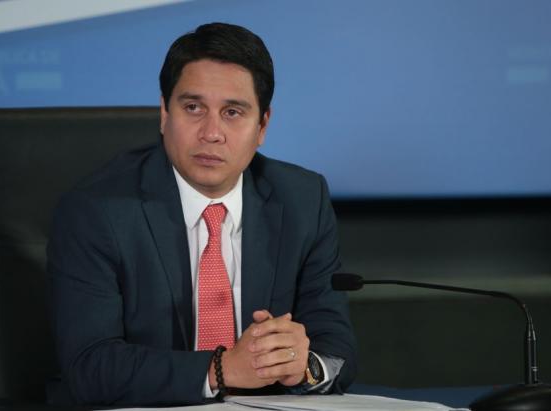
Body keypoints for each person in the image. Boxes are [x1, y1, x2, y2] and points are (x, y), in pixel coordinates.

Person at [47, 22, 357, 407]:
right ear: (164, 113)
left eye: (233, 112)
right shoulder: (96, 212)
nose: (212, 133)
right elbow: (90, 367)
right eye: (193, 108)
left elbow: (337, 348)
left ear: (262, 125)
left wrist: (302, 366)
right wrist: (220, 369)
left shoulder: (302, 200)